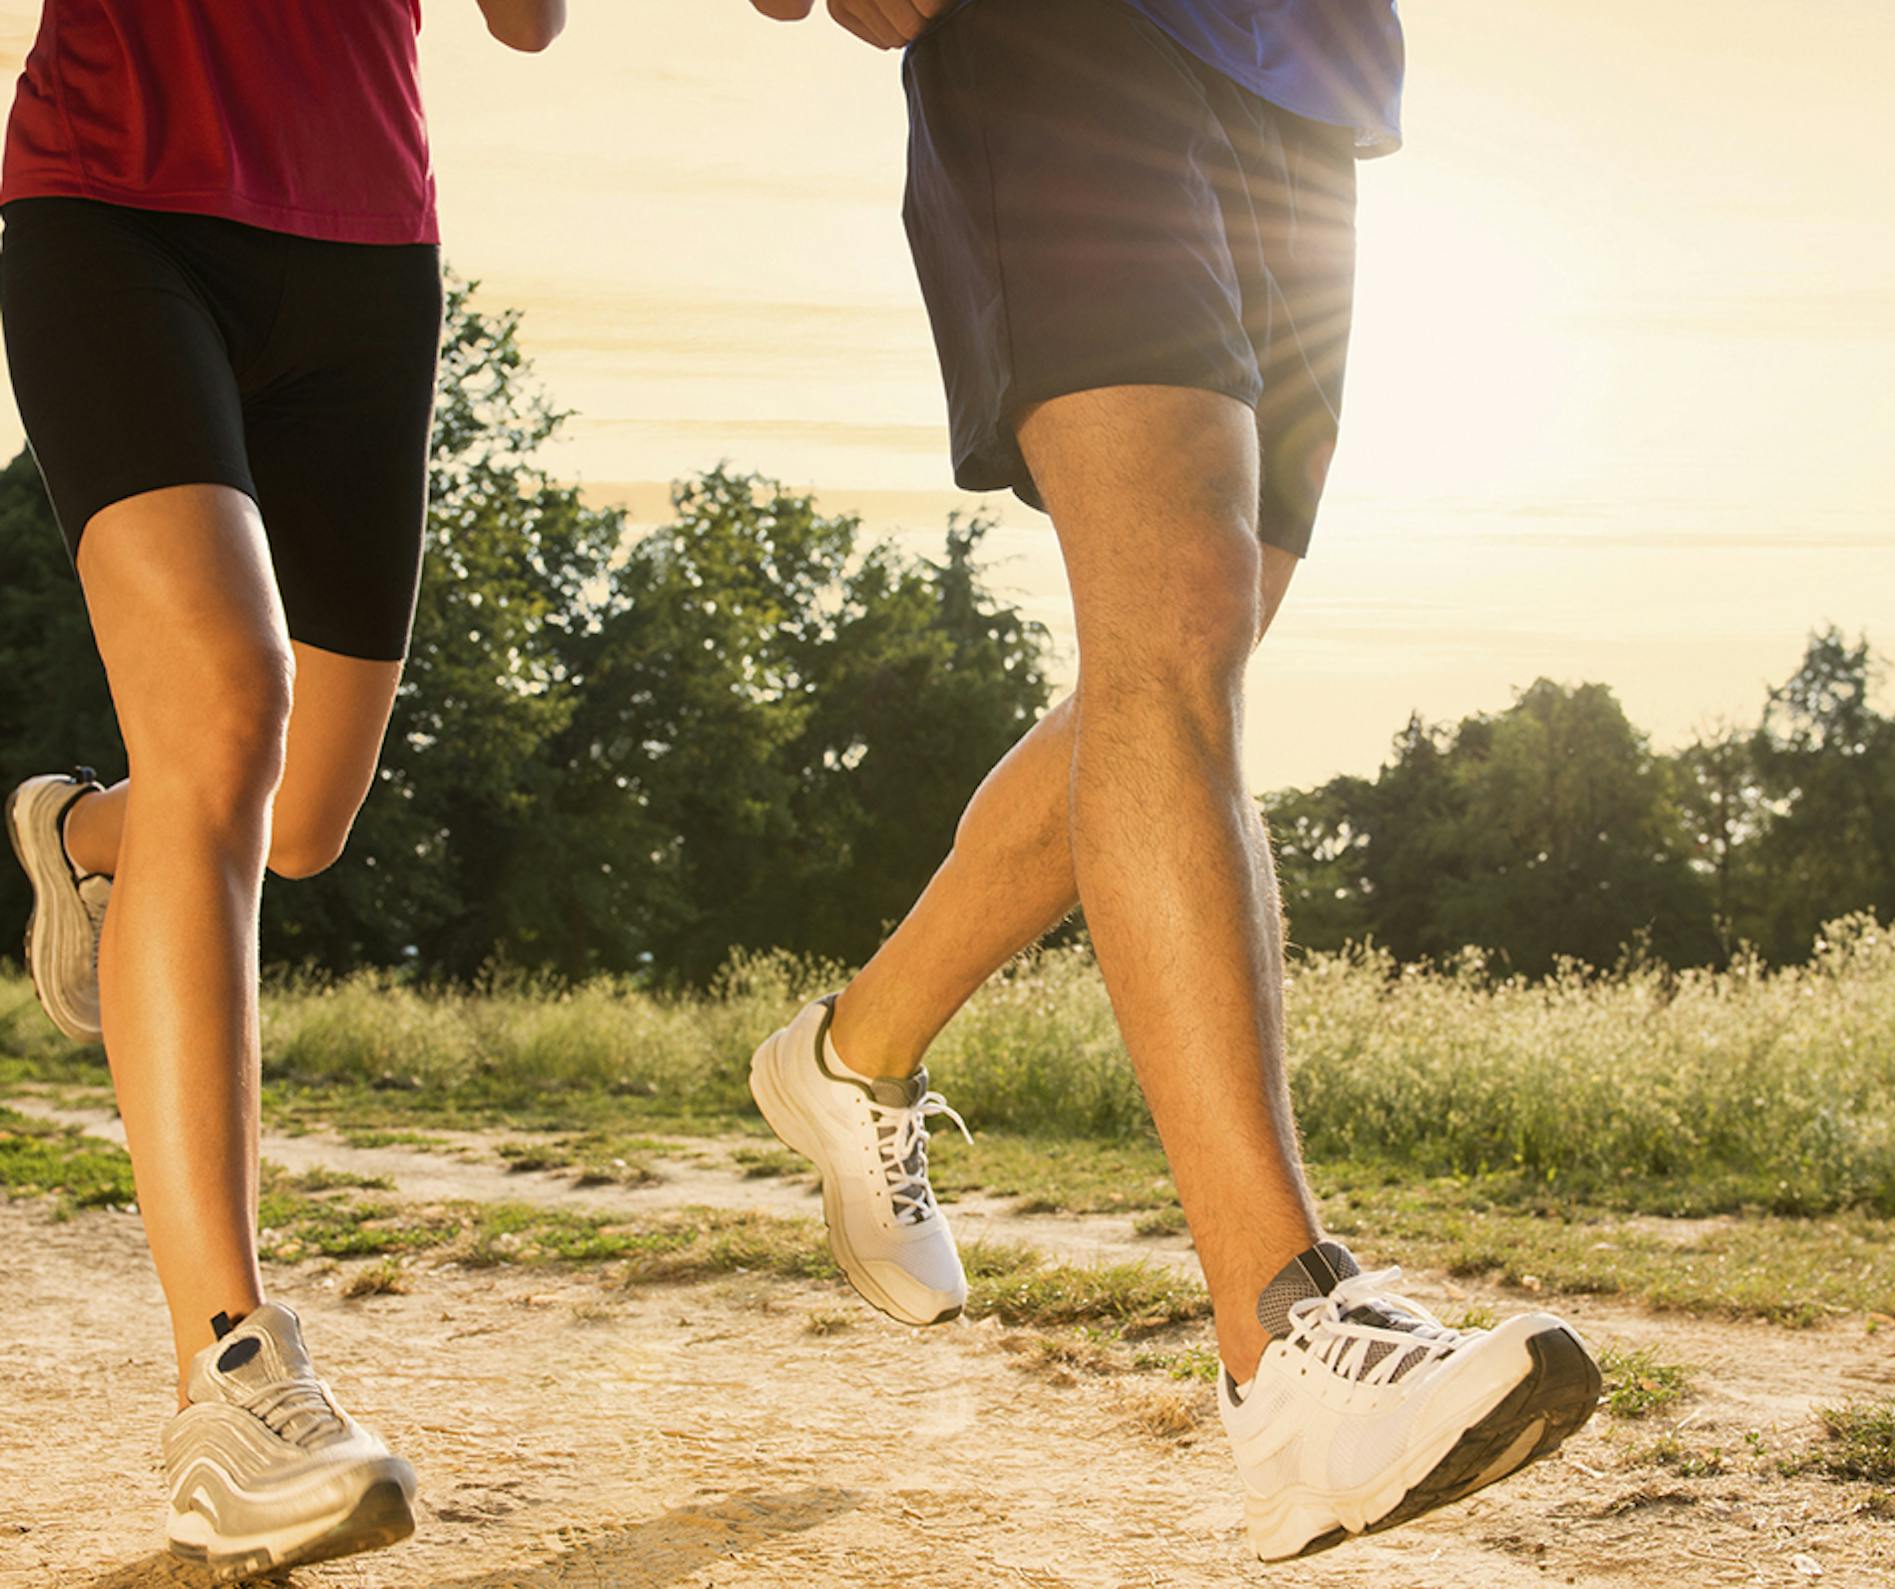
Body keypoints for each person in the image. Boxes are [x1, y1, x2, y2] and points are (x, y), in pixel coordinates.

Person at [744, 0, 1605, 1561]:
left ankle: (852, 1054)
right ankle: (1284, 1347)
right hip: (1069, 29)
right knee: (1175, 620)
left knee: (1188, 654)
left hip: (1309, 75)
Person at [0, 0, 566, 1575]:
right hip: (114, 204)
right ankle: (229, 1380)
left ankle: (82, 833)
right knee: (229, 712)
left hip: (364, 243)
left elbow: (530, 22)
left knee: (299, 815)